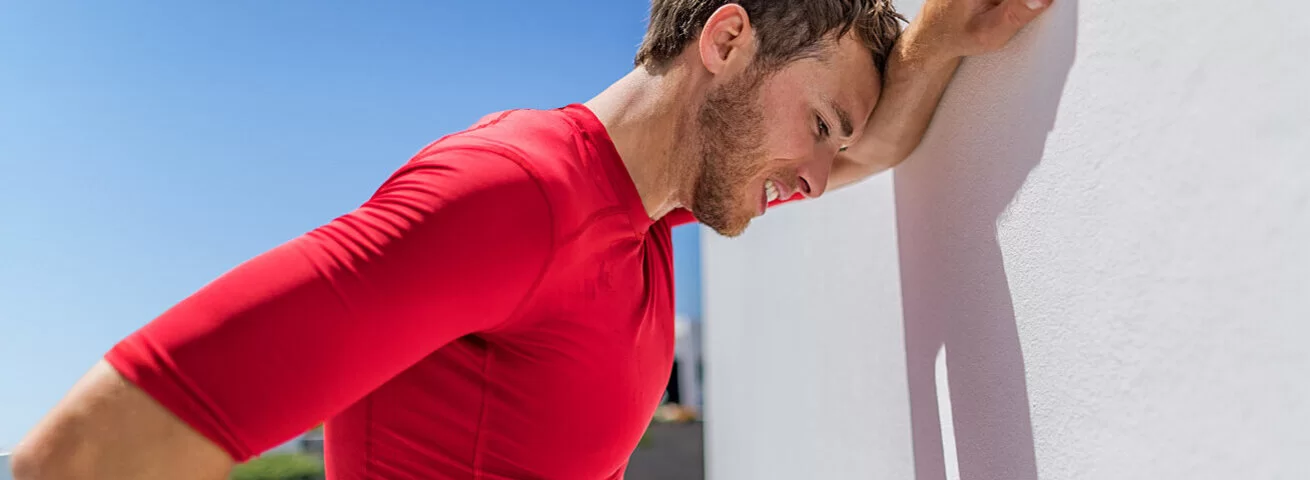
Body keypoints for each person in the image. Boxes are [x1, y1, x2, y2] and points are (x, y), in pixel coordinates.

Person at [11, 0, 1051, 478]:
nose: (819, 178)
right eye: (817, 126)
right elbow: (85, 456)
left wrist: (945, 35)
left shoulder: (644, 221)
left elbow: (868, 157)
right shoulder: (517, 198)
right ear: (726, 40)